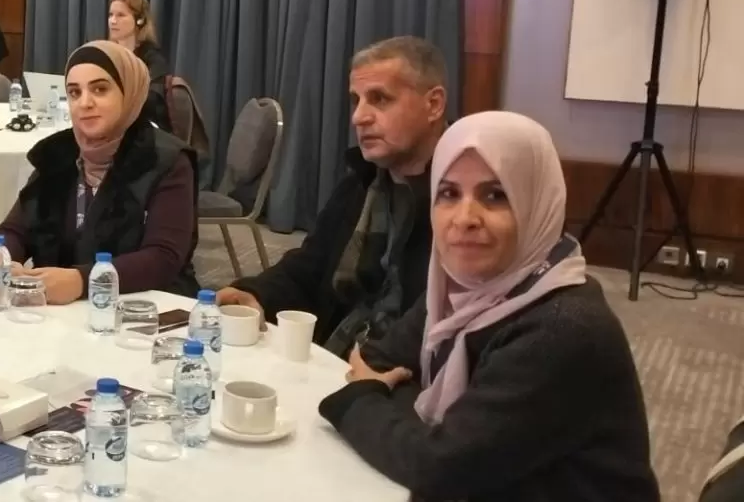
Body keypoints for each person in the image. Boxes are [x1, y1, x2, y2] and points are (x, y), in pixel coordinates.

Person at [317, 111, 659, 502]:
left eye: (495, 195)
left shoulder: (562, 328)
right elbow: (378, 359)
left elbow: (440, 467)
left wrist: (365, 398)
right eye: (449, 194)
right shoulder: (460, 289)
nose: (465, 218)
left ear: (536, 204)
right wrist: (429, 432)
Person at [216, 36, 448, 354]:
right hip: (336, 355)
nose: (359, 117)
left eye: (380, 99)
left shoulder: (462, 204)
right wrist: (256, 293)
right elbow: (310, 269)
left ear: (433, 105)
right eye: (356, 100)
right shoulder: (361, 183)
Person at [0, 41, 199, 302]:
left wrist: (82, 281)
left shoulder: (166, 159)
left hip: (146, 308)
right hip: (60, 312)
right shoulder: (58, 154)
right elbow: (12, 231)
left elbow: (163, 258)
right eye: (74, 93)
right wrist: (1, 258)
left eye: (100, 89)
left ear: (129, 93)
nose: (85, 103)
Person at [107, 0, 171, 131]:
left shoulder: (152, 59)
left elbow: (153, 100)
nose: (113, 21)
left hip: (144, 127)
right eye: (111, 15)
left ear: (139, 21)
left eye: (120, 15)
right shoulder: (107, 53)